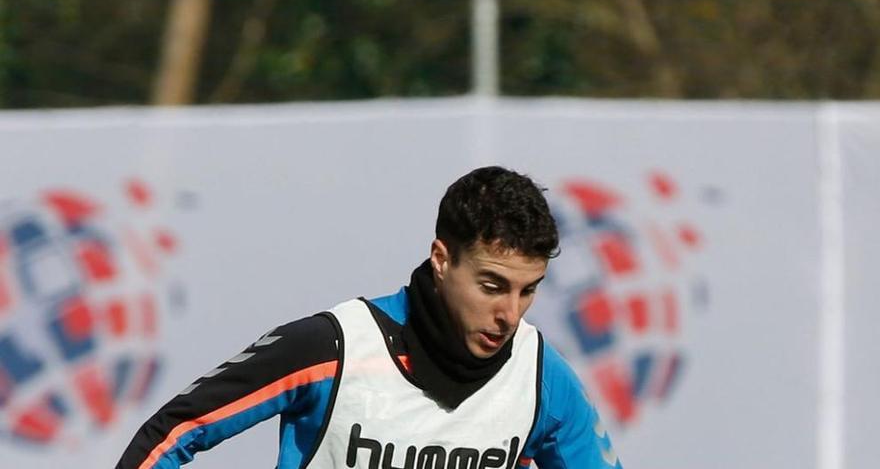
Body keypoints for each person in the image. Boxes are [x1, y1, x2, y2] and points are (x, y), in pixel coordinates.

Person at [116, 166, 622, 469]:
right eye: (492, 286)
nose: (509, 314)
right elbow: (170, 433)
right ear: (442, 260)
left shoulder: (539, 376)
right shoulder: (332, 348)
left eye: (527, 291)